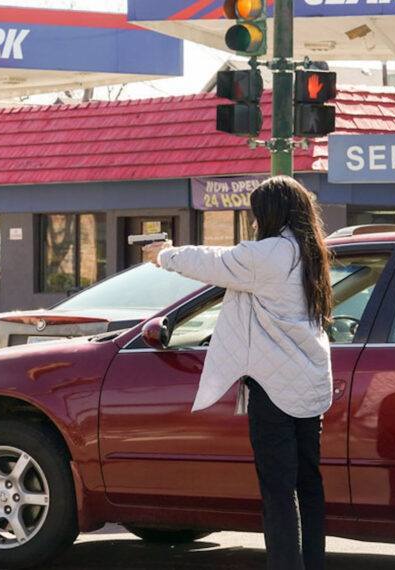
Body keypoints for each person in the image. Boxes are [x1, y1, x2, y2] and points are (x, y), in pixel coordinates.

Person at [143, 175, 333, 570]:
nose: (252, 220)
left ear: (269, 213)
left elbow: (214, 264)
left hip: (274, 390)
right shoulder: (310, 251)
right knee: (308, 485)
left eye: (255, 212)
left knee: (279, 493)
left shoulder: (269, 254)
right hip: (311, 385)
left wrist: (165, 255)